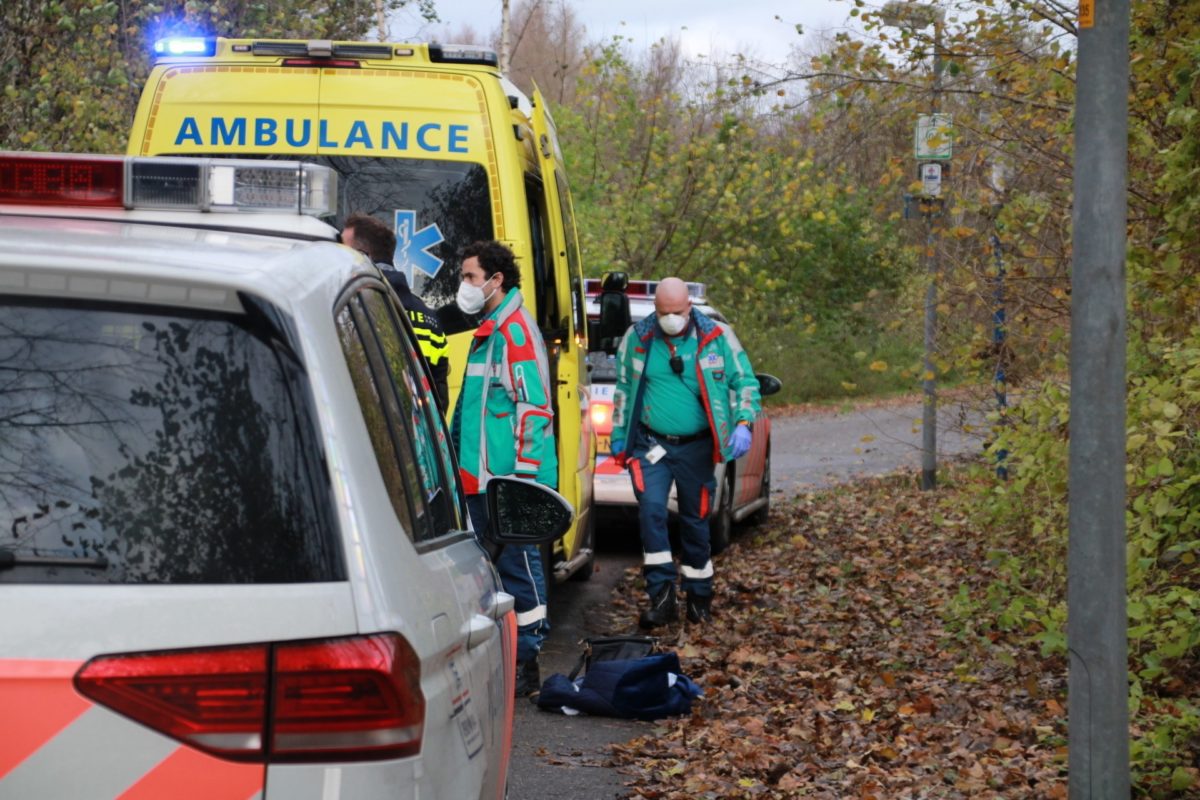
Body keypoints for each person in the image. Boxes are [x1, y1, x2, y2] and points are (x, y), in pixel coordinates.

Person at [610, 277, 761, 627]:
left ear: (689, 307)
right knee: (651, 511)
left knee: (696, 520)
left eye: (676, 311)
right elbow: (623, 389)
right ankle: (662, 596)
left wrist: (743, 422)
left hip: (697, 446)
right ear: (655, 309)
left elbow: (745, 382)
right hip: (651, 445)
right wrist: (619, 436)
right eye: (663, 312)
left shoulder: (717, 338)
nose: (670, 319)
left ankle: (698, 596)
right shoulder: (638, 339)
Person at [450, 240, 557, 696]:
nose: (464, 285)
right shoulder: (491, 330)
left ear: (496, 280)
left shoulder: (514, 333)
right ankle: (505, 656)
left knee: (519, 571)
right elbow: (472, 410)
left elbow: (534, 409)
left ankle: (527, 660)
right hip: (481, 480)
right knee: (488, 574)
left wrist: (522, 479)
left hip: (508, 482)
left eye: (470, 277)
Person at [341, 213, 450, 411]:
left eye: (343, 251)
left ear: (363, 256)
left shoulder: (349, 307)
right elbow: (438, 403)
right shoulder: (429, 319)